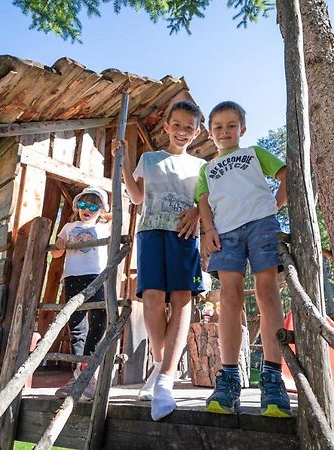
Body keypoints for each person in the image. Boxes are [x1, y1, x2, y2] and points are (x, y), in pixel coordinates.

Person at [195, 101, 291, 417]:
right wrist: (207, 231)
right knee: (230, 299)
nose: (224, 131)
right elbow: (204, 203)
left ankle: (272, 378)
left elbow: (285, 174)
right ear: (210, 133)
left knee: (267, 294)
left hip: (262, 225)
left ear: (242, 129)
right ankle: (229, 377)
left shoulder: (253, 154)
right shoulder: (206, 169)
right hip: (226, 234)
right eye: (218, 127)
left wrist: (275, 206)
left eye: (231, 125)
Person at [112, 100, 205, 421]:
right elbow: (137, 197)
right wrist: (122, 162)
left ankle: (164, 379)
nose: (182, 132)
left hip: (184, 235)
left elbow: (205, 202)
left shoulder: (201, 166)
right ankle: (161, 366)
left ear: (196, 132)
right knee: (151, 298)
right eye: (176, 125)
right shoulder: (150, 159)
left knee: (181, 299)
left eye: (188, 127)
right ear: (166, 126)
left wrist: (196, 211)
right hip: (151, 232)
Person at [52, 186, 110, 400]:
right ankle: (78, 372)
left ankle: (88, 370)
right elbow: (57, 254)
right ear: (77, 207)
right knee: (76, 323)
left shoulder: (106, 229)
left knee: (99, 319)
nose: (87, 209)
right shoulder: (69, 226)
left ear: (101, 210)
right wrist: (60, 244)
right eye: (83, 205)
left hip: (96, 276)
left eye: (93, 206)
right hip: (73, 277)